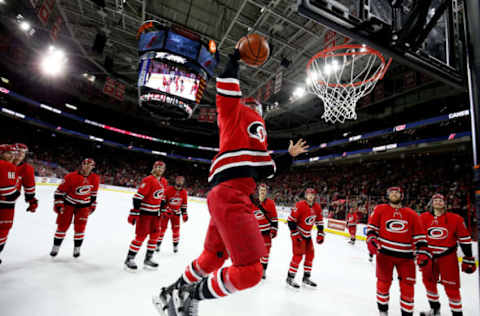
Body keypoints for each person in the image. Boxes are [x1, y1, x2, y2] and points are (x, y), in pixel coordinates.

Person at [152, 48, 309, 316]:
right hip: (232, 195)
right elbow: (227, 89)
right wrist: (234, 59)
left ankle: (169, 292)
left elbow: (267, 170)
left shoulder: (256, 143)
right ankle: (188, 294)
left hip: (225, 194)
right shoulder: (236, 116)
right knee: (250, 271)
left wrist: (289, 157)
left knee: (212, 257)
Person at [367, 187, 431, 316]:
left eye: (397, 192)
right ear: (387, 195)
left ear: (402, 196)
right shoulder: (380, 209)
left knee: (408, 288)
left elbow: (420, 236)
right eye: (391, 192)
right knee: (383, 285)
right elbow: (372, 228)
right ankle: (383, 312)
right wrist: (371, 239)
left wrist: (423, 251)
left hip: (406, 257)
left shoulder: (412, 214)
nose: (394, 194)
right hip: (385, 255)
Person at [419, 194, 476, 316]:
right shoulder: (423, 217)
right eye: (436, 200)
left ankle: (457, 313)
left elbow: (465, 239)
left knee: (452, 288)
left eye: (441, 200)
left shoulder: (455, 218)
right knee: (428, 283)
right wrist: (418, 252)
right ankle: (435, 309)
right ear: (431, 203)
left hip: (448, 257)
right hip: (429, 257)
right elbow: (418, 237)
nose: (438, 202)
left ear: (445, 204)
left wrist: (469, 257)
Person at [50, 158, 99, 258]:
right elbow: (59, 192)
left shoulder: (95, 178)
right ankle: (55, 247)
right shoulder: (70, 176)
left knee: (80, 228)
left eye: (90, 165)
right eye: (85, 164)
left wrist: (92, 205)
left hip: (84, 206)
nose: (87, 166)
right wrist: (59, 205)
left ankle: (77, 249)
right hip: (69, 204)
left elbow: (93, 194)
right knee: (62, 226)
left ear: (93, 167)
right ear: (82, 164)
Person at [124, 161, 167, 271]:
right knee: (141, 236)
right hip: (145, 214)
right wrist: (134, 212)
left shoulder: (164, 182)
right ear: (153, 168)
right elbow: (138, 197)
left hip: (155, 215)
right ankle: (130, 258)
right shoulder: (148, 180)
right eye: (157, 167)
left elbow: (161, 198)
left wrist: (162, 211)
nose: (159, 169)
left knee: (155, 236)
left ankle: (148, 259)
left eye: (161, 168)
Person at [286, 188, 324, 289]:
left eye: (312, 194)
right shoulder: (300, 205)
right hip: (298, 234)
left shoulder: (317, 207)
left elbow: (319, 221)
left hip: (307, 235)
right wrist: (295, 234)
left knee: (310, 255)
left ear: (315, 196)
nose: (310, 196)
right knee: (298, 256)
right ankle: (290, 277)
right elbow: (291, 221)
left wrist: (320, 232)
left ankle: (306, 278)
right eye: (308, 194)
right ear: (305, 195)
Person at [250, 182, 278, 279]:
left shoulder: (271, 203)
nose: (262, 192)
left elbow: (274, 218)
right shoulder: (253, 202)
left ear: (266, 192)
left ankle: (263, 270)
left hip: (266, 232)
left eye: (264, 190)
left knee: (265, 252)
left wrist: (274, 230)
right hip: (255, 232)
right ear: (258, 191)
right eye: (261, 190)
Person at [157, 176, 188, 253]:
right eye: (178, 180)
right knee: (162, 229)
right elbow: (163, 201)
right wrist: (164, 210)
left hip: (176, 214)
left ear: (183, 182)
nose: (180, 182)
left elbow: (184, 204)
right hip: (166, 213)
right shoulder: (168, 189)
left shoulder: (184, 192)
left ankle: (175, 245)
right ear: (175, 181)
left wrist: (184, 214)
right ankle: (157, 245)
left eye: (181, 181)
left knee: (176, 231)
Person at [0, 144, 19, 264]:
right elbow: (8, 192)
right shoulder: (6, 165)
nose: (12, 155)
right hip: (4, 206)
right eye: (8, 153)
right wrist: (16, 193)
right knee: (3, 230)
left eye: (13, 153)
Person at [13, 143, 38, 213]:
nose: (21, 154)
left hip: (8, 202)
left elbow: (29, 187)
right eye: (19, 151)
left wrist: (32, 201)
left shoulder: (27, 169)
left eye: (23, 152)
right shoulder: (2, 164)